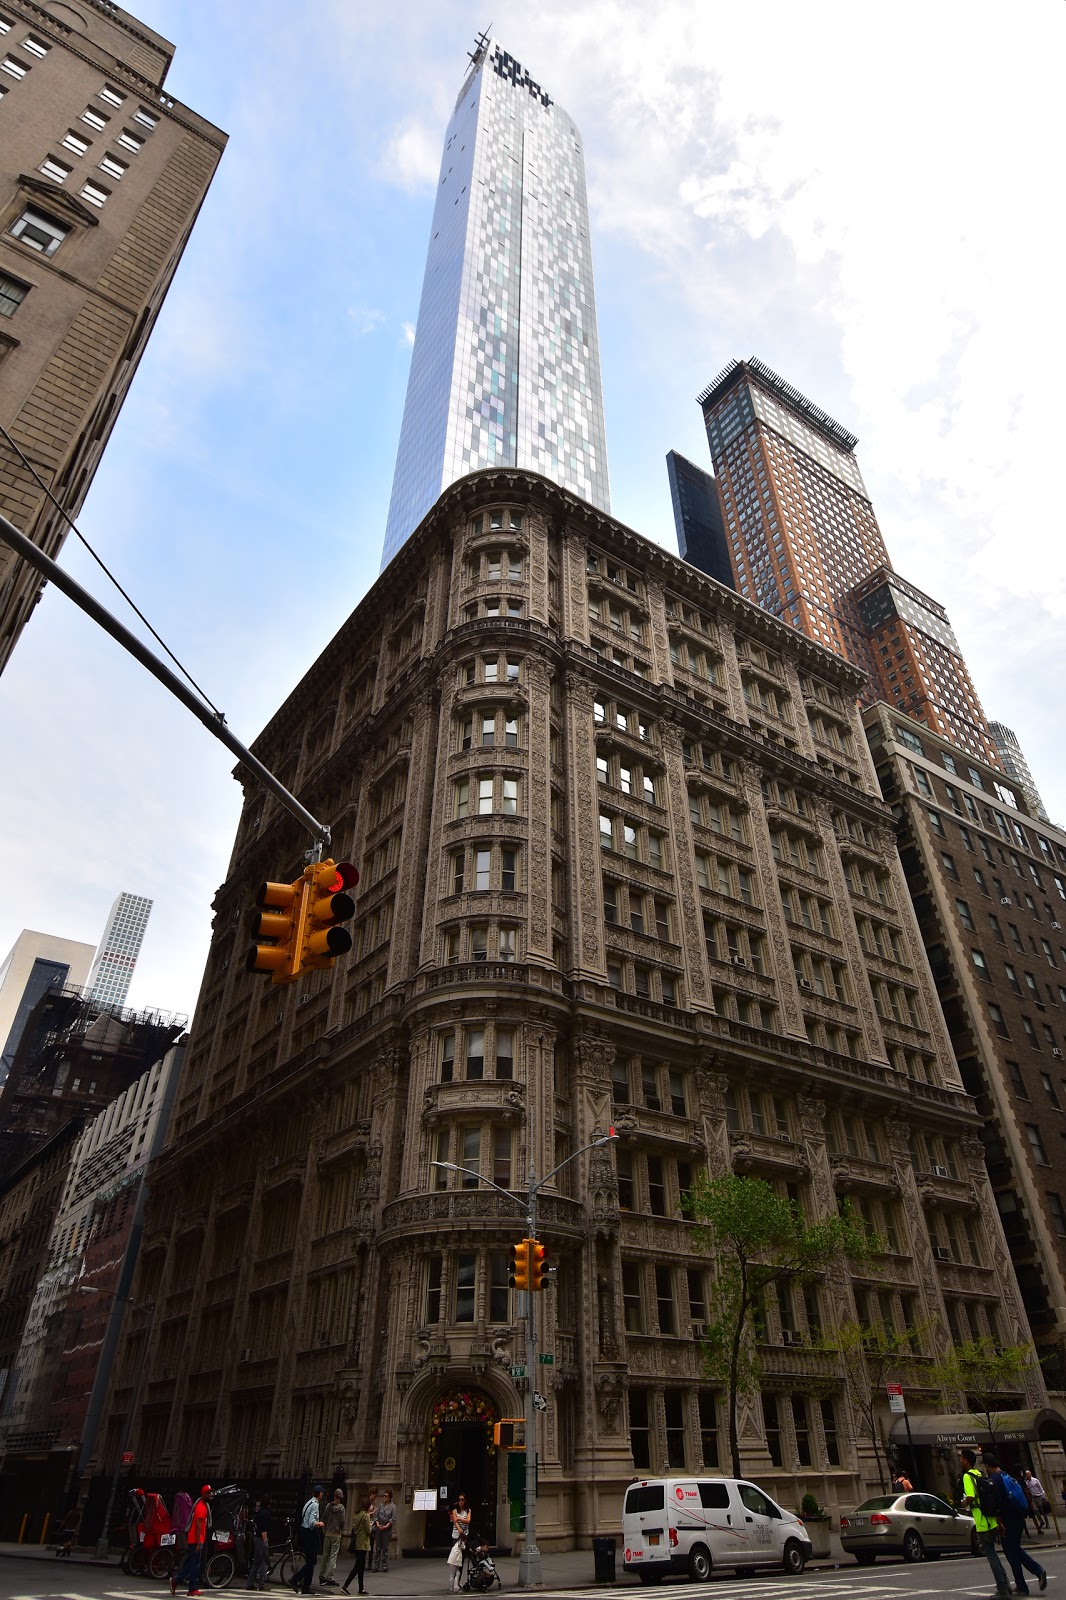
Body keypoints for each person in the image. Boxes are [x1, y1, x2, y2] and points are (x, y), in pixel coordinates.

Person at [984, 1453, 1047, 1596]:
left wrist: (999, 1523)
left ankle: (1031, 1577)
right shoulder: (1006, 1475)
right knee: (1014, 1549)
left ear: (987, 1466)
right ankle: (1025, 1582)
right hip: (1018, 1518)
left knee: (1011, 1552)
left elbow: (998, 1503)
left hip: (1008, 1520)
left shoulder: (994, 1480)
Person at [171, 1485, 212, 1598]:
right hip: (196, 1540)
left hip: (197, 1539)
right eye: (208, 1493)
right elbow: (198, 1525)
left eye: (210, 1493)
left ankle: (177, 1580)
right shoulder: (201, 1507)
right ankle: (191, 1587)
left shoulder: (203, 1505)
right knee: (195, 1565)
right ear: (203, 1494)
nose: (210, 1495)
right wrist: (199, 1542)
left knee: (193, 1563)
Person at [292, 1485, 324, 1596]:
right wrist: (319, 1523)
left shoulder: (308, 1503)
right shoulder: (315, 1505)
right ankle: (295, 1579)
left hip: (303, 1532)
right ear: (319, 1493)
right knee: (312, 1561)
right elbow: (311, 1522)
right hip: (309, 1533)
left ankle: (306, 1587)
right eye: (322, 1493)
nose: (323, 1495)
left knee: (310, 1561)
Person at [341, 1497, 372, 1596]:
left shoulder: (357, 1515)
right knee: (358, 1566)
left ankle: (361, 1588)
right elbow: (368, 1531)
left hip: (357, 1543)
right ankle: (345, 1586)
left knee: (360, 1566)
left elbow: (354, 1528)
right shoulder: (366, 1516)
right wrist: (371, 1525)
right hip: (363, 1543)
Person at [321, 1489, 346, 1587]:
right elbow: (343, 1521)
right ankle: (329, 1577)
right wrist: (340, 1529)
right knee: (333, 1557)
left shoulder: (328, 1506)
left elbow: (324, 1518)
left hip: (328, 1533)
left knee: (325, 1555)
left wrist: (325, 1530)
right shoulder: (341, 1508)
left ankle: (322, 1576)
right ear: (340, 1498)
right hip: (336, 1534)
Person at [448, 1495, 471, 1594]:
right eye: (459, 1500)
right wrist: (459, 1529)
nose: (461, 1502)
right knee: (455, 1560)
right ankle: (453, 1584)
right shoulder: (454, 1511)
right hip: (456, 1536)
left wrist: (460, 1519)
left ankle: (457, 1583)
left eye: (462, 1500)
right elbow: (455, 1521)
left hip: (464, 1538)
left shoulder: (468, 1510)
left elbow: (468, 1521)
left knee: (461, 1561)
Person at [371, 1490, 396, 1574]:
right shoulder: (381, 1506)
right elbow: (376, 1517)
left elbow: (393, 1519)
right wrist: (378, 1525)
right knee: (378, 1548)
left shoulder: (393, 1507)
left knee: (385, 1548)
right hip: (379, 1528)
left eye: (386, 1496)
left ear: (389, 1497)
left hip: (387, 1530)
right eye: (384, 1496)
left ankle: (384, 1565)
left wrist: (386, 1526)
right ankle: (376, 1566)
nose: (384, 1497)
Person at [249, 1496, 271, 1592]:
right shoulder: (266, 1514)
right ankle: (262, 1584)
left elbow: (256, 1524)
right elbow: (264, 1529)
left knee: (256, 1562)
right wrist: (265, 1541)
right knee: (263, 1562)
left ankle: (250, 1583)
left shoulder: (259, 1513)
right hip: (261, 1538)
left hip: (256, 1537)